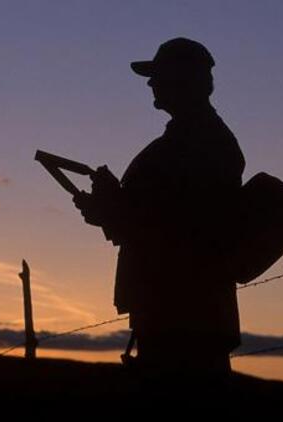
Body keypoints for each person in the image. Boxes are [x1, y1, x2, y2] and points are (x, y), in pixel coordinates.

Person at [73, 38, 246, 385]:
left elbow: (179, 228)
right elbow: (161, 217)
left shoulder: (200, 143)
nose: (151, 84)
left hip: (184, 313)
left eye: (159, 75)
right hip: (173, 309)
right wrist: (110, 208)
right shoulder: (192, 139)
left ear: (183, 79)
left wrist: (111, 208)